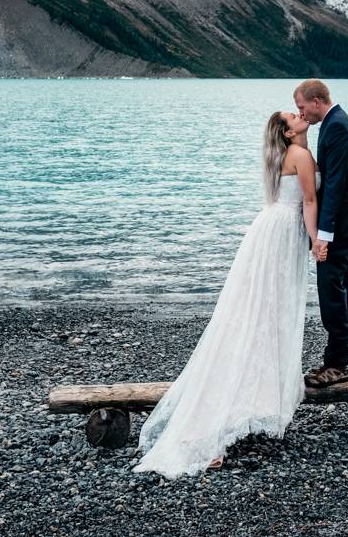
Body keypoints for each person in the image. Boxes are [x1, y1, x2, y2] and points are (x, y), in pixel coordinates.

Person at [132, 108, 321, 478]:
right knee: (271, 311)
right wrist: (317, 242)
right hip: (283, 234)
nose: (300, 117)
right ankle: (237, 409)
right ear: (285, 132)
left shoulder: (284, 154)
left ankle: (250, 397)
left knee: (256, 311)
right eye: (293, 118)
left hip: (268, 230)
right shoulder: (300, 155)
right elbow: (310, 202)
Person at [293, 79, 348, 386]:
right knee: (345, 282)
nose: (301, 114)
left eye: (302, 107)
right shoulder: (333, 124)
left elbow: (336, 186)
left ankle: (338, 363)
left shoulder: (338, 127)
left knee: (331, 288)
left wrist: (322, 235)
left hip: (342, 223)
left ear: (317, 101)